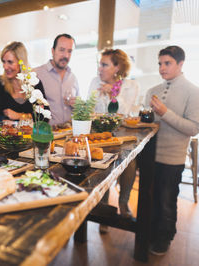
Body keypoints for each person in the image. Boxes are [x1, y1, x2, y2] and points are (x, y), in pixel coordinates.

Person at [146, 46, 199, 255]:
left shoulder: (193, 92)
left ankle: (164, 237)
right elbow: (147, 124)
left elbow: (193, 128)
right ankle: (148, 232)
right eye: (160, 63)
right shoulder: (153, 91)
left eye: (167, 63)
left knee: (166, 200)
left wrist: (165, 113)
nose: (161, 68)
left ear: (181, 64)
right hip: (149, 156)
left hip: (172, 158)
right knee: (149, 199)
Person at [88, 49, 140, 234]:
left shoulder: (130, 85)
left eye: (104, 64)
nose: (99, 68)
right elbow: (89, 108)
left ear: (117, 67)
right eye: (100, 64)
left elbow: (124, 112)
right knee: (104, 166)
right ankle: (104, 210)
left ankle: (123, 202)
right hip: (100, 135)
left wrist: (112, 95)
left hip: (122, 135)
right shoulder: (95, 82)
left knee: (130, 163)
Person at [0, 41, 45, 120]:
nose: (5, 67)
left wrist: (18, 115)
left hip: (31, 132)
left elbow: (43, 117)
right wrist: (29, 116)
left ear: (21, 63)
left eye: (10, 62)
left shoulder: (35, 83)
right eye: (3, 62)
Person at [35, 33, 79, 126]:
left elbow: (78, 110)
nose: (66, 55)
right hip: (47, 135)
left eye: (69, 51)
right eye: (62, 50)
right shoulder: (37, 74)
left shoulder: (73, 78)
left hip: (70, 134)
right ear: (52, 51)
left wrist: (78, 105)